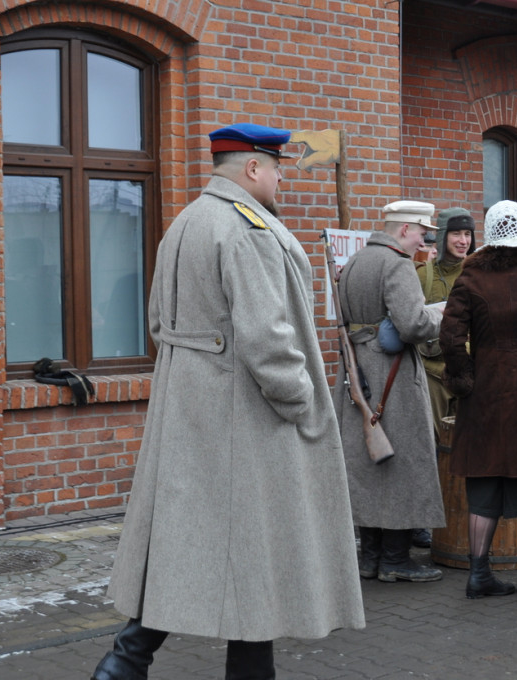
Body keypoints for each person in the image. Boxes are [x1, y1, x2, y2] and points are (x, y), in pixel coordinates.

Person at [91, 123, 365, 680]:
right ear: (253, 168)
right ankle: (127, 663)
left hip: (194, 415)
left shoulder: (185, 223)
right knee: (253, 558)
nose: (283, 178)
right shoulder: (248, 232)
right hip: (249, 422)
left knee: (218, 556)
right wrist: (302, 402)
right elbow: (268, 339)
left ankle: (125, 663)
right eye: (278, 168)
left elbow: (156, 322)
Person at [334, 200, 446, 584]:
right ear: (404, 229)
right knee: (401, 461)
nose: (423, 242)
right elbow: (413, 325)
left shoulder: (355, 263)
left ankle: (371, 559)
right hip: (391, 379)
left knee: (370, 463)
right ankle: (396, 559)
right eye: (421, 233)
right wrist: (441, 312)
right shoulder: (397, 264)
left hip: (359, 376)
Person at [439, 200, 517, 600]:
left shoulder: (472, 275)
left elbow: (449, 336)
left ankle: (478, 575)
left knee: (484, 483)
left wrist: (463, 376)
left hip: (486, 393)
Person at [411, 207, 475, 550]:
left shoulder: (477, 272)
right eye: (456, 234)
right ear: (443, 235)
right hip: (434, 374)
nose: (463, 241)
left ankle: (461, 517)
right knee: (431, 449)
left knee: (465, 449)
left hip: (468, 374)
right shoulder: (423, 274)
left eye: (467, 235)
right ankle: (425, 521)